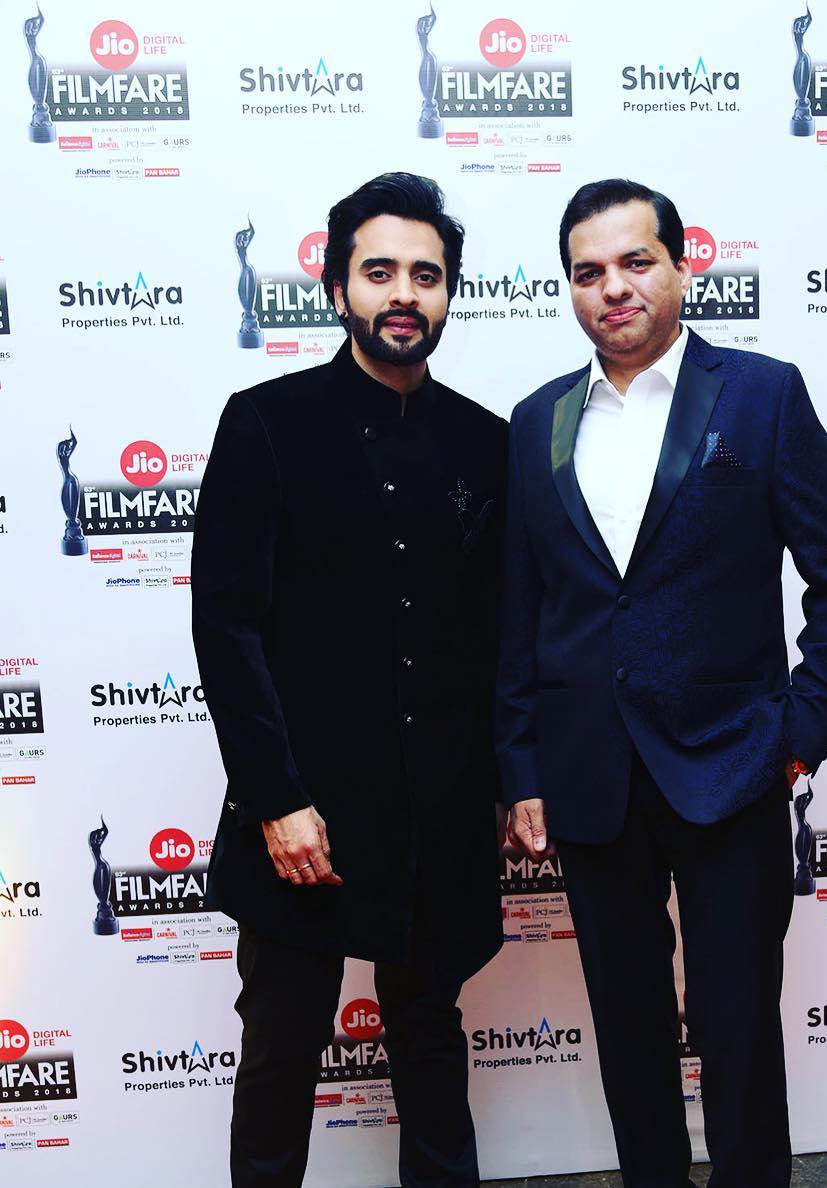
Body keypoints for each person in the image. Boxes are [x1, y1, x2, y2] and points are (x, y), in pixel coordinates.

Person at [496, 179, 827, 1188]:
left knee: (736, 1023)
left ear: (681, 263)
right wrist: (522, 769)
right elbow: (521, 615)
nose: (613, 288)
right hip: (591, 776)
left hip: (731, 764)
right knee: (627, 1027)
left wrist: (801, 730)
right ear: (570, 288)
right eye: (588, 272)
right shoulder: (536, 423)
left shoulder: (762, 394)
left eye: (635, 261)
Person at [191, 172, 507, 1188]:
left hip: (438, 812)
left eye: (427, 274)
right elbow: (226, 627)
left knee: (431, 1038)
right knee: (283, 1049)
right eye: (379, 272)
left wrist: (508, 781)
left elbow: (498, 634)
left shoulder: (487, 443)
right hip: (305, 815)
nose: (403, 293)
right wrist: (276, 800)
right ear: (336, 289)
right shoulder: (265, 423)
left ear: (449, 293)